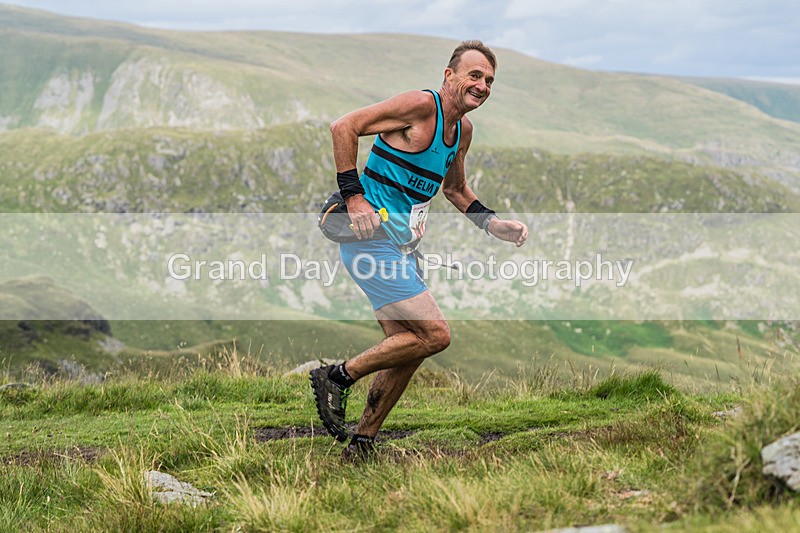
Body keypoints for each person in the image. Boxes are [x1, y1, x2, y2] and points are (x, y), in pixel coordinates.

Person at [310, 40, 528, 459]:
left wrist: (491, 222)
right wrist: (354, 197)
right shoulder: (421, 106)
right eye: (474, 75)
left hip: (402, 249)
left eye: (489, 80)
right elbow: (343, 127)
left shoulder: (462, 131)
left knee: (408, 347)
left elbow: (455, 189)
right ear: (449, 75)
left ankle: (362, 443)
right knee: (435, 334)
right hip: (370, 242)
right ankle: (337, 376)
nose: (482, 86)